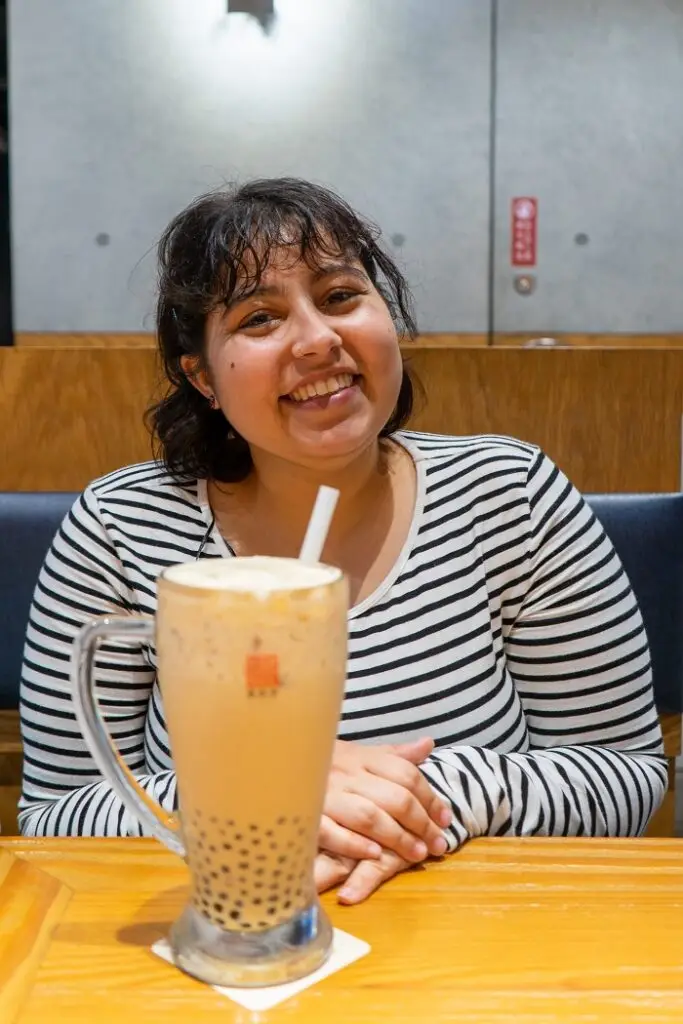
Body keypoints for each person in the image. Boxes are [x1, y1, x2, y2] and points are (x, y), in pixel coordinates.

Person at [19, 178, 666, 905]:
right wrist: (264, 793)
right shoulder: (121, 526)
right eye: (260, 318)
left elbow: (623, 773)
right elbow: (53, 817)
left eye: (338, 297)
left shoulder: (507, 494)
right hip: (232, 938)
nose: (319, 339)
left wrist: (414, 798)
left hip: (475, 952)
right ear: (202, 377)